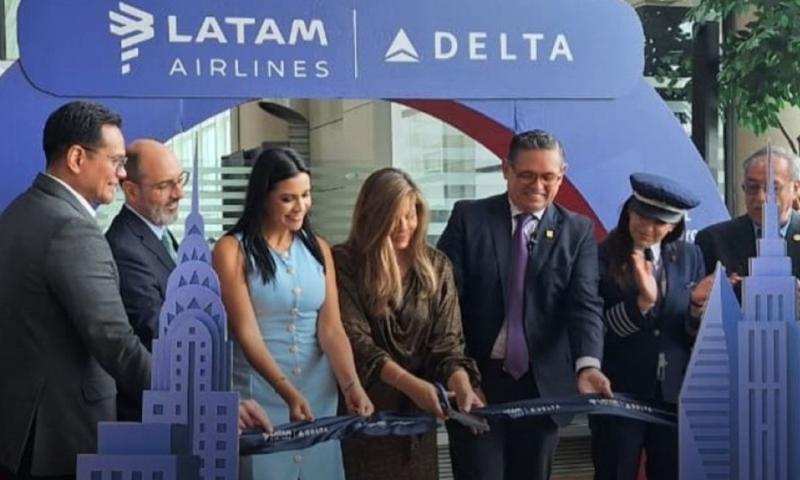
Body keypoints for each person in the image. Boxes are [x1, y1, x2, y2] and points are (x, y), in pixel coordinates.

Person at [438, 130, 612, 480]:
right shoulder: (469, 218)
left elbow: (585, 305)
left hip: (541, 386)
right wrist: (457, 374)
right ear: (506, 169)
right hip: (476, 381)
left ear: (562, 175)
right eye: (527, 175)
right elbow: (443, 304)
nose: (538, 185)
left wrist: (588, 365)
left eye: (548, 177)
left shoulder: (577, 231)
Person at [0, 101, 152, 479]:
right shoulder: (72, 229)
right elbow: (114, 339)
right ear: (76, 157)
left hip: (19, 432)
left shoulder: (17, 213)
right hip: (60, 437)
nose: (120, 174)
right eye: (115, 161)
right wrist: (193, 397)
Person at [212, 147, 374, 480]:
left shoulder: (319, 249)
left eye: (306, 195)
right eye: (288, 198)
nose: (301, 206)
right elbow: (246, 332)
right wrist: (286, 391)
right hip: (262, 396)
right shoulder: (232, 250)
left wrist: (351, 384)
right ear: (263, 197)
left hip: (318, 396)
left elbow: (331, 328)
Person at [333, 168, 484, 480]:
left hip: (418, 421)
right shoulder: (344, 262)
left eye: (411, 215)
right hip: (364, 414)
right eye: (394, 217)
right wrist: (411, 385)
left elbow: (448, 345)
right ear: (372, 216)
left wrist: (461, 383)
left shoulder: (436, 265)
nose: (405, 226)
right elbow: (356, 341)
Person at [591, 173, 711, 480]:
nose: (647, 228)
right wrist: (642, 303)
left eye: (659, 222)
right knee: (616, 471)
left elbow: (689, 335)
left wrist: (697, 306)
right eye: (642, 216)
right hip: (619, 390)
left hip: (673, 393)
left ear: (673, 225)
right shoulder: (600, 255)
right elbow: (595, 329)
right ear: (629, 211)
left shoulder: (689, 255)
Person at [106, 139, 189, 420]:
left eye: (180, 180)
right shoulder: (125, 247)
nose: (178, 193)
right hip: (154, 410)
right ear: (130, 190)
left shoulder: (159, 234)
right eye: (164, 186)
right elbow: (157, 331)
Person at [696, 146, 800, 297]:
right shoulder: (713, 240)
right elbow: (695, 312)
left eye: (773, 188)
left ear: (795, 189)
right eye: (752, 187)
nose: (761, 198)